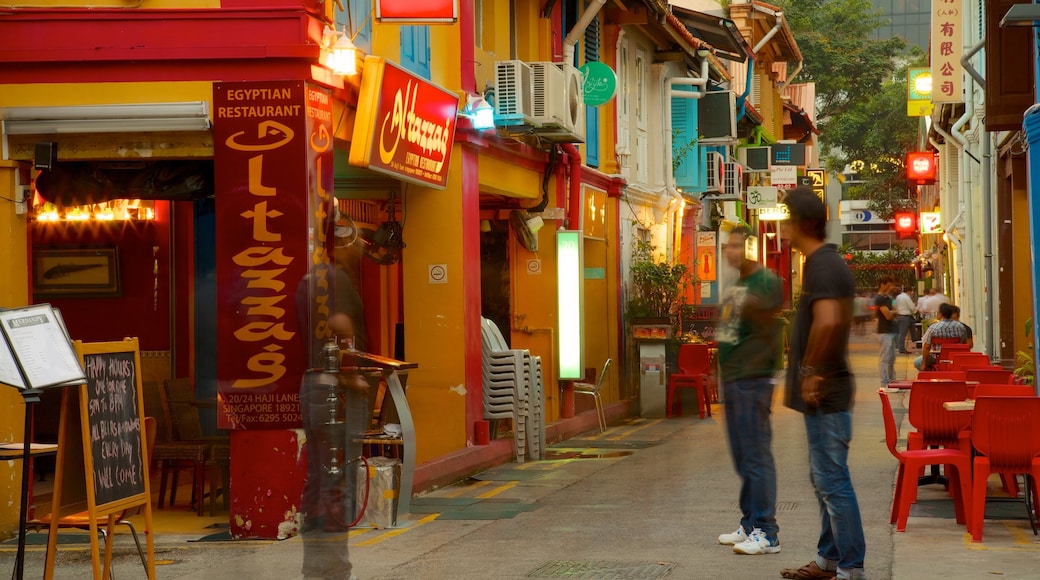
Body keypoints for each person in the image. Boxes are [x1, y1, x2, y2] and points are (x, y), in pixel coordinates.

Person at [778, 187, 866, 580]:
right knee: (824, 480)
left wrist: (811, 371)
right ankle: (829, 560)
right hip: (824, 396)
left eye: (787, 220)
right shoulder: (819, 264)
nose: (782, 229)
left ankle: (851, 566)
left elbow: (828, 320)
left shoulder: (824, 266)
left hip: (827, 392)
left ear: (803, 224)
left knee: (833, 481)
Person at [715, 225, 784, 556]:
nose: (731, 251)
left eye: (737, 246)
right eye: (728, 246)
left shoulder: (765, 282)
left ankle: (767, 531)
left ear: (752, 249)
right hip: (734, 380)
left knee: (756, 455)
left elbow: (773, 327)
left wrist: (759, 369)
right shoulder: (739, 283)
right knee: (743, 457)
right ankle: (749, 523)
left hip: (752, 380)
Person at [914, 302, 970, 371]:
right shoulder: (961, 327)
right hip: (955, 357)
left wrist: (923, 364)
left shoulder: (933, 327)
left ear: (940, 314)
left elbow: (926, 346)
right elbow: (963, 342)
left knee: (917, 362)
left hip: (937, 357)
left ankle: (932, 374)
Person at [873, 276, 897, 388]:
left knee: (892, 358)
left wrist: (892, 312)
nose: (891, 287)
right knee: (885, 357)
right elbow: (888, 316)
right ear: (883, 284)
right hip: (884, 331)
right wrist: (893, 312)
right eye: (889, 284)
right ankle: (885, 381)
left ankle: (892, 379)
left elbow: (894, 312)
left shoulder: (888, 298)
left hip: (890, 330)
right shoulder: (879, 298)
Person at [892, 286, 916, 354]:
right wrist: (915, 311)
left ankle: (902, 346)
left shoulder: (898, 297)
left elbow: (896, 306)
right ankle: (902, 348)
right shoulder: (906, 297)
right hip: (905, 316)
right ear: (909, 291)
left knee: (901, 333)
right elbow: (912, 307)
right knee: (903, 333)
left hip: (899, 316)